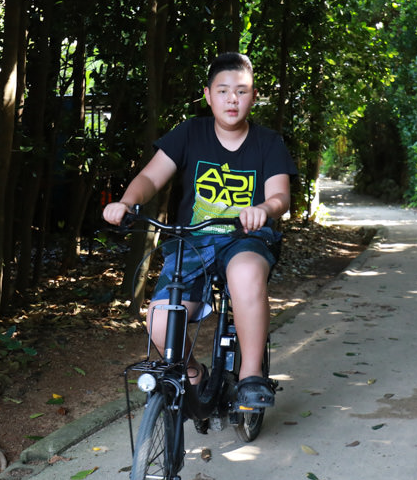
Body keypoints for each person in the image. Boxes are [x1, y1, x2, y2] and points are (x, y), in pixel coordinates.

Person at [103, 52, 296, 416]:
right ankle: (194, 376)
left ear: (254, 96)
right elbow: (150, 178)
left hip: (246, 239)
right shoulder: (190, 132)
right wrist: (127, 202)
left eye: (241, 91)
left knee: (245, 273)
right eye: (223, 91)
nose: (232, 99)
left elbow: (280, 196)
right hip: (193, 241)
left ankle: (251, 376)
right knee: (160, 320)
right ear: (208, 95)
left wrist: (264, 209)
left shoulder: (268, 142)